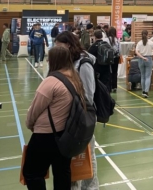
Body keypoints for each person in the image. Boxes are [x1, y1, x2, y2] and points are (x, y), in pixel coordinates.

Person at [23, 47, 86, 190]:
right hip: (66, 135)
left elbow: (34, 110)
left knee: (33, 173)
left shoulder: (51, 81)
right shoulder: (75, 78)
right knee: (62, 173)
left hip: (45, 135)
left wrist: (30, 124)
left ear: (54, 60)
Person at [54, 32, 99, 190]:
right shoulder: (68, 62)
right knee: (73, 159)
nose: (57, 49)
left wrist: (76, 114)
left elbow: (88, 95)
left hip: (82, 119)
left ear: (68, 45)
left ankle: (91, 188)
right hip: (69, 119)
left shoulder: (84, 64)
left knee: (87, 156)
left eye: (59, 46)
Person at [135, 30, 153, 98]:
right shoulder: (151, 42)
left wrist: (142, 57)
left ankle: (143, 91)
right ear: (147, 35)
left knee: (143, 76)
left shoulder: (139, 43)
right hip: (149, 59)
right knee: (148, 76)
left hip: (141, 59)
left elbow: (136, 52)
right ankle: (146, 92)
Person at [107, 27, 120, 93]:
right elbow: (120, 49)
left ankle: (109, 86)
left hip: (109, 58)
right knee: (115, 72)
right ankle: (114, 86)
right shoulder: (117, 39)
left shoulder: (107, 40)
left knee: (109, 72)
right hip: (116, 57)